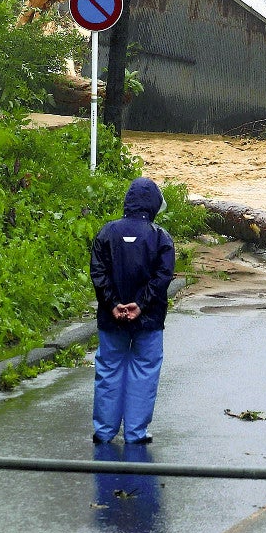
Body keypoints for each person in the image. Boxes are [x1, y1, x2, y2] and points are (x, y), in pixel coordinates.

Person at [90, 177, 175, 445]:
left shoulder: (106, 233)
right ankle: (136, 433)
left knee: (108, 369)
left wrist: (113, 303)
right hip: (148, 320)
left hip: (111, 318)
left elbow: (98, 273)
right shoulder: (161, 237)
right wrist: (140, 304)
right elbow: (162, 277)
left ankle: (104, 432)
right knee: (145, 371)